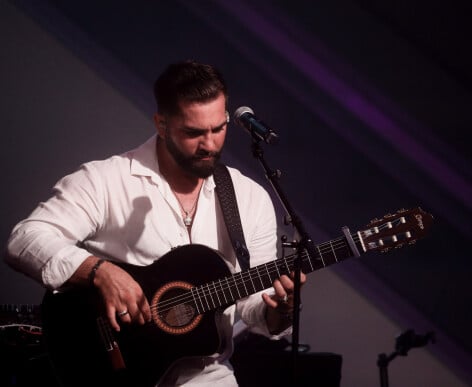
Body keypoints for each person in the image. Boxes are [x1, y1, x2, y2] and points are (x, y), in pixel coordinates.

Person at [5, 60, 306, 386]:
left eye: (218, 129)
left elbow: (253, 306)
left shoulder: (249, 197)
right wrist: (98, 271)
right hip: (113, 373)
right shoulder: (107, 179)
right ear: (161, 125)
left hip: (207, 377)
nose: (209, 144)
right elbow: (24, 239)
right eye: (193, 132)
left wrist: (280, 310)